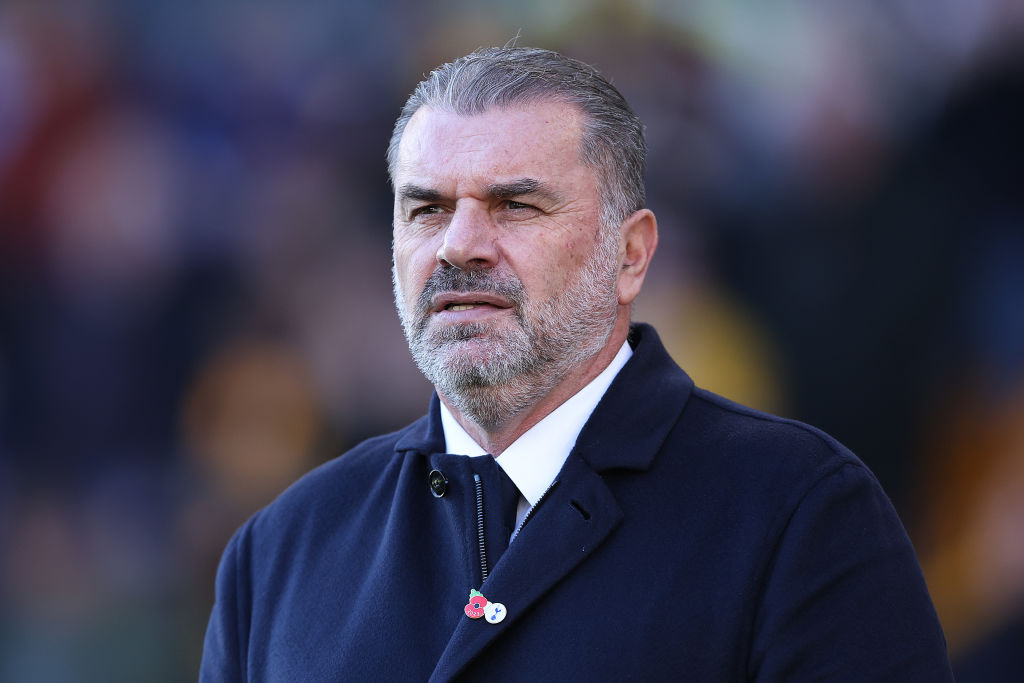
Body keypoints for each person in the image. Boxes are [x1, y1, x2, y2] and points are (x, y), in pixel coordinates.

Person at [200, 46, 953, 681]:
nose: (459, 244)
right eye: (427, 208)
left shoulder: (800, 515)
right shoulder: (280, 553)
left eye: (516, 205)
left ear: (630, 255)